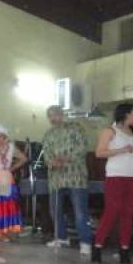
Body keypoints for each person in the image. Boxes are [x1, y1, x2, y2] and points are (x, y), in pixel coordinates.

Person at [92, 104, 133, 264]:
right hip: (116, 176)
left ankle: (124, 250)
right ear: (125, 114)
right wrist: (122, 150)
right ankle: (97, 247)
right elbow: (99, 152)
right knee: (112, 212)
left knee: (128, 214)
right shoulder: (110, 131)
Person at [42, 105, 93, 255]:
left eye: (55, 114)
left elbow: (83, 147)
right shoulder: (48, 134)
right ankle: (62, 238)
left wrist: (65, 158)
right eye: (50, 116)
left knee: (80, 211)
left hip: (75, 177)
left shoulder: (76, 128)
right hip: (56, 178)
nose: (53, 118)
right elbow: (47, 155)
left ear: (62, 114)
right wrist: (52, 162)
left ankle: (85, 242)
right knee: (55, 211)